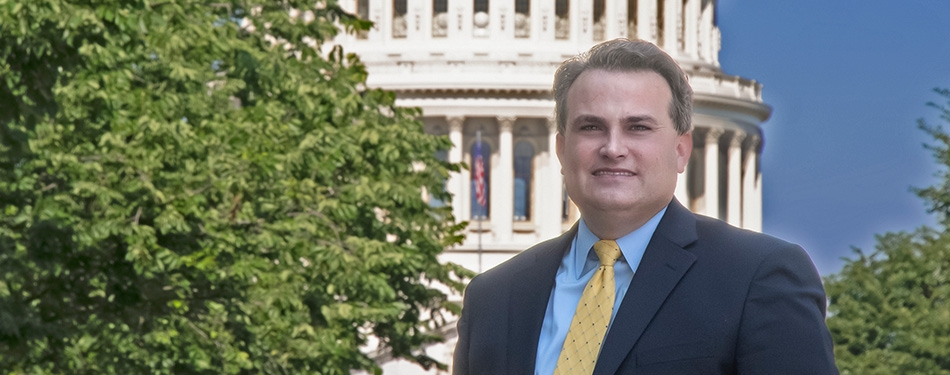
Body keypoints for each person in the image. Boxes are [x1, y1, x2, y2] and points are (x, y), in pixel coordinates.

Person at [452, 39, 838, 375]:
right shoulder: (493, 298)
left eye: (638, 127)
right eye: (591, 127)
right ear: (561, 149)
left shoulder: (756, 277)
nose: (613, 148)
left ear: (681, 149)